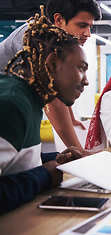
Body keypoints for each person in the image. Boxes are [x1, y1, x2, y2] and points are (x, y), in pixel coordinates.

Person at [0, 10, 88, 214]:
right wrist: (43, 176)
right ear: (53, 63)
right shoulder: (11, 104)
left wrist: (53, 158)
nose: (86, 80)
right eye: (81, 68)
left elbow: (13, 161)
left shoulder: (28, 100)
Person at [0, 0, 101, 156]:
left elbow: (60, 88)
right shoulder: (35, 38)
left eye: (90, 27)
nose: (87, 33)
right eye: (82, 25)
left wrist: (72, 119)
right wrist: (79, 152)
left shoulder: (57, 42)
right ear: (59, 20)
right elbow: (53, 99)